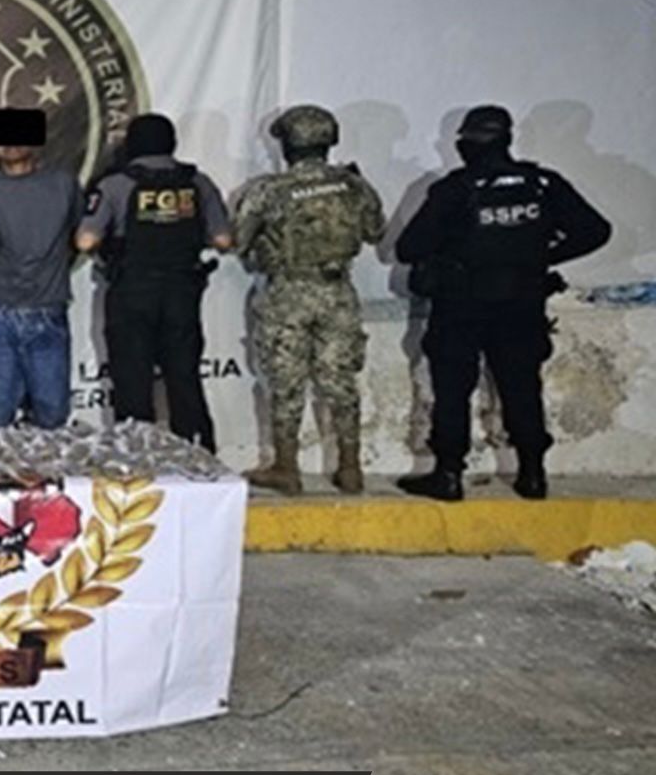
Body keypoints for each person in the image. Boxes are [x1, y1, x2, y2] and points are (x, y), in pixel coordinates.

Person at [395, 104, 610, 501]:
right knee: (522, 387)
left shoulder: (456, 189)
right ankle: (532, 474)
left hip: (461, 304)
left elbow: (409, 248)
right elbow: (595, 231)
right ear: (507, 140)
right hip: (522, 303)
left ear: (466, 143)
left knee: (453, 390)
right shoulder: (542, 184)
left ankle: (448, 475)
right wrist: (541, 256)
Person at [236, 105, 386, 494]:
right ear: (329, 142)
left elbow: (238, 240)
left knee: (286, 381)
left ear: (287, 146)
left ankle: (287, 469)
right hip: (338, 293)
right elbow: (376, 232)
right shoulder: (354, 186)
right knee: (340, 380)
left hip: (287, 294)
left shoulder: (268, 190)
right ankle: (350, 468)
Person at [77, 112, 231, 450]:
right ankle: (198, 454)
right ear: (172, 143)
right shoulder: (197, 182)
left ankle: (136, 457)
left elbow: (86, 241)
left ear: (131, 145)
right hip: (182, 292)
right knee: (184, 377)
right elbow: (223, 240)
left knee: (132, 379)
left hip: (132, 293)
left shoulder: (115, 184)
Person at [0, 108, 82, 429]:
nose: (10, 144)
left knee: (53, 407)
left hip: (49, 304)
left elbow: (79, 236)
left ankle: (48, 463)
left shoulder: (63, 183)